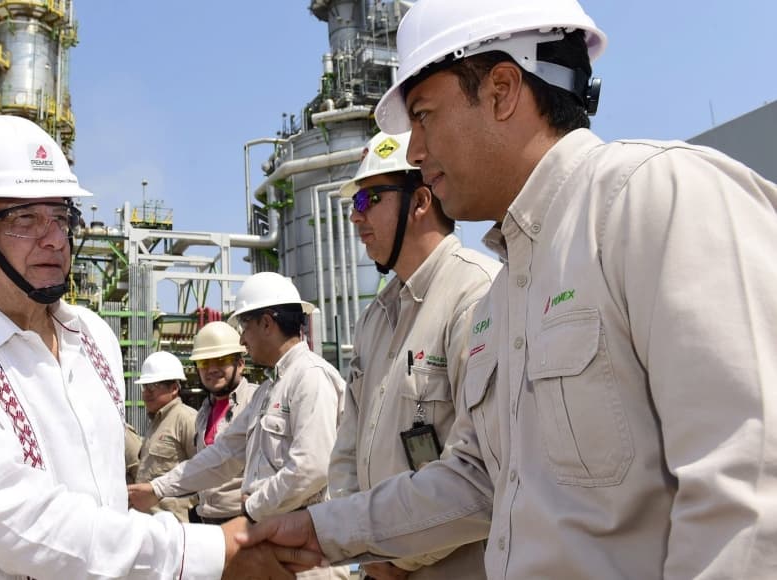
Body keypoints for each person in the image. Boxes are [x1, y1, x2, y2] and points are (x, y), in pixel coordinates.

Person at [240, 0, 777, 577]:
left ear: (501, 90)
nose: (416, 154)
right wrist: (325, 530)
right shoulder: (506, 292)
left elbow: (751, 493)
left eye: (423, 116)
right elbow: (478, 480)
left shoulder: (656, 199)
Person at [0, 115, 304, 579]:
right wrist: (210, 553)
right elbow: (15, 520)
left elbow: (103, 504)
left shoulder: (92, 338)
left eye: (61, 217)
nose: (54, 238)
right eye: (24, 219)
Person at [327, 130, 499, 580]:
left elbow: (485, 472)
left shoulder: (478, 294)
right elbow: (347, 446)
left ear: (420, 201)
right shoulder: (374, 317)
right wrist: (362, 546)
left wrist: (396, 558)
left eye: (367, 201)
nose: (354, 218)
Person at [129, 272, 350, 579]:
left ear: (267, 324)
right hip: (274, 544)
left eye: (245, 327)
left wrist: (251, 509)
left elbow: (311, 467)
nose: (243, 339)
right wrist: (156, 488)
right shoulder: (268, 391)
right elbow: (222, 454)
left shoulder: (310, 377)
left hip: (307, 555)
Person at [187, 321, 259, 524]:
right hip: (207, 517)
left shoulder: (257, 401)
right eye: (204, 363)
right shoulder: (203, 412)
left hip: (245, 520)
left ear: (241, 364)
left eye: (222, 360)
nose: (211, 369)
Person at [134, 351, 199, 522]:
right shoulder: (156, 422)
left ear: (174, 388)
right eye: (145, 386)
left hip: (176, 524)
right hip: (151, 522)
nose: (147, 392)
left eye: (154, 386)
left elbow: (204, 471)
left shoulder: (187, 419)